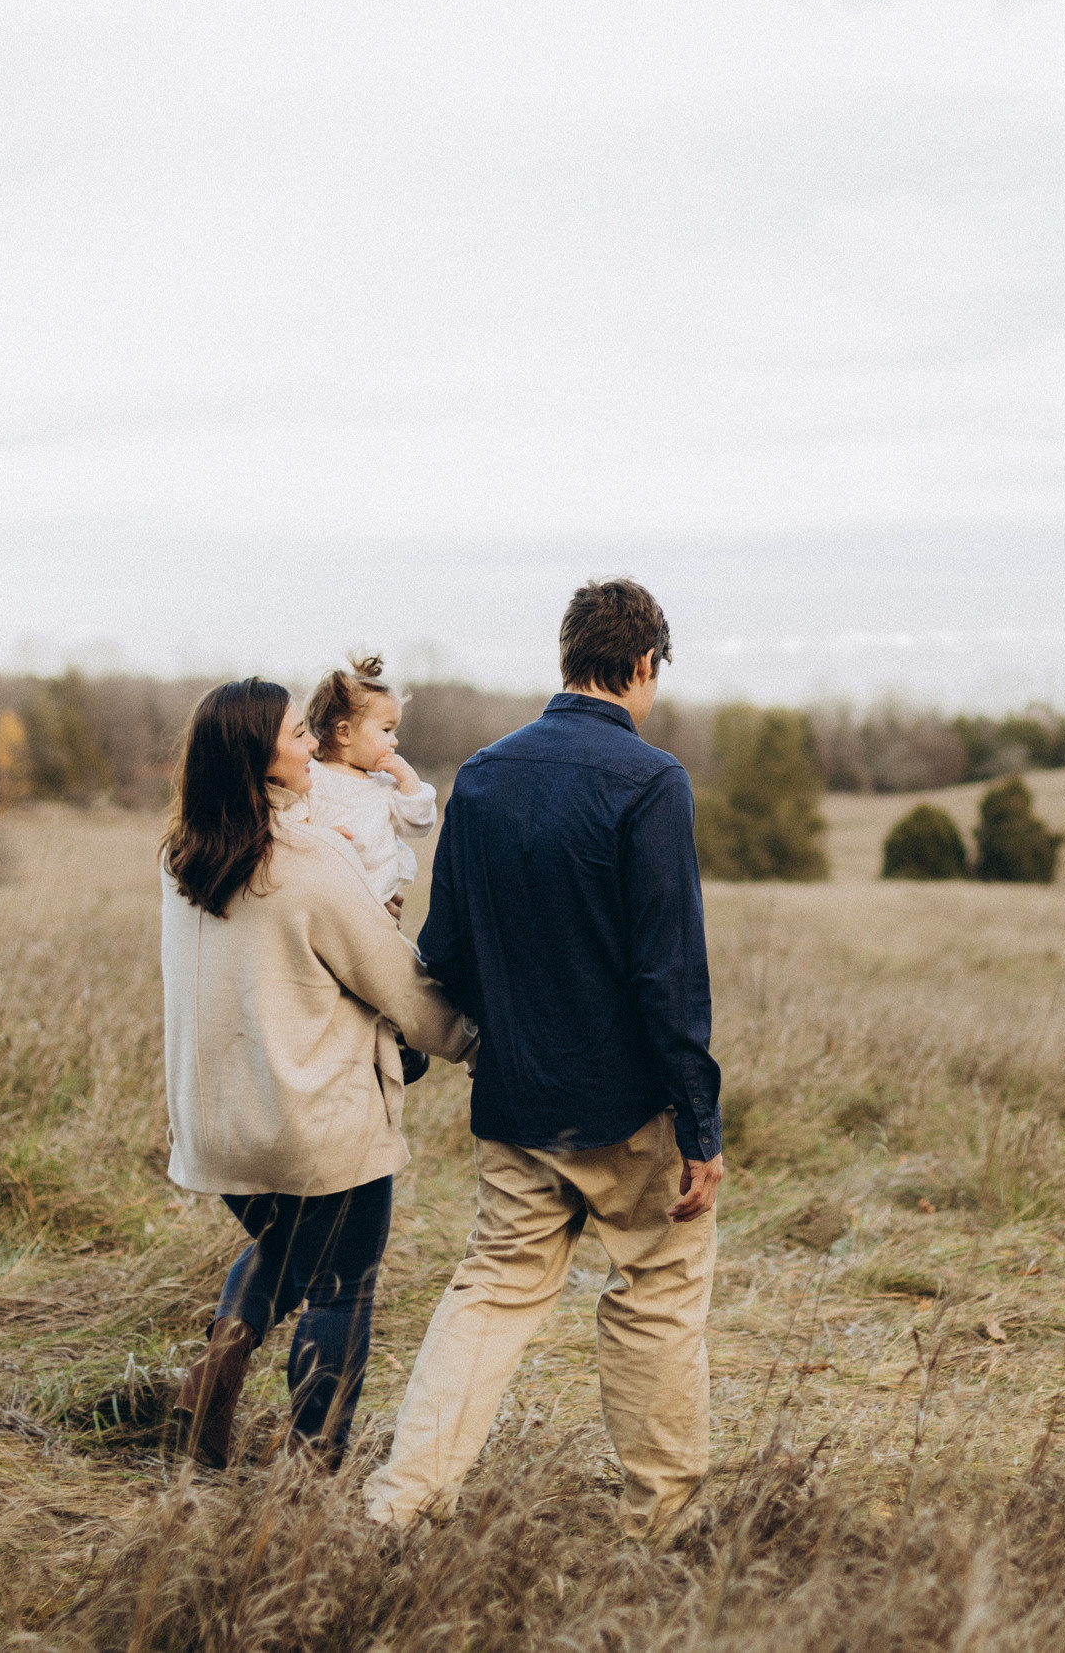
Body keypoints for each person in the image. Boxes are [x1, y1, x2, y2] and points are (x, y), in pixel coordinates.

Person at [363, 577, 723, 1540]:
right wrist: (700, 1123)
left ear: (568, 658)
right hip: (631, 1114)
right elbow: (668, 972)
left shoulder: (483, 776)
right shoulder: (652, 782)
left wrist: (438, 1048)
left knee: (491, 1294)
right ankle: (664, 1525)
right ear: (644, 665)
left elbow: (448, 951)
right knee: (657, 1293)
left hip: (518, 1099)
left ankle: (399, 1508)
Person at [161, 678, 476, 1470]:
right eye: (299, 736)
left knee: (285, 1243)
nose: (314, 747)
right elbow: (397, 985)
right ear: (256, 759)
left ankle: (212, 1376)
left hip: (224, 1127)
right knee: (341, 1284)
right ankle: (309, 1469)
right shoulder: (305, 861)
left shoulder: (182, 858)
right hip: (315, 1122)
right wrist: (476, 1042)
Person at [296, 653, 437, 921]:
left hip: (375, 904)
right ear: (344, 732)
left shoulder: (385, 786)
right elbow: (292, 823)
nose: (394, 741)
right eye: (386, 730)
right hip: (322, 901)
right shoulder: (310, 777)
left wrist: (408, 779)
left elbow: (419, 824)